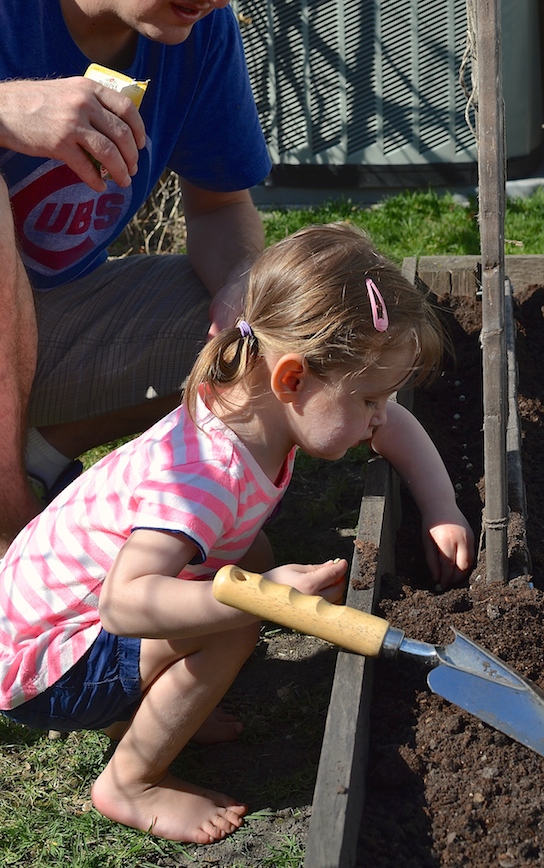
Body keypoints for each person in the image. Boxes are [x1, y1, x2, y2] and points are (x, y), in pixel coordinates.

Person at [0, 222, 475, 845]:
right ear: (293, 380)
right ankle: (130, 780)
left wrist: (442, 506)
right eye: (368, 401)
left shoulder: (251, 405)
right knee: (238, 619)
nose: (380, 416)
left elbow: (393, 427)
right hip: (41, 662)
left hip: (59, 618)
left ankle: (151, 706)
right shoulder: (207, 480)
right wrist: (259, 591)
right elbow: (123, 602)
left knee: (249, 554)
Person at [0, 0, 272, 556]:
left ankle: (37, 455)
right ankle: (12, 528)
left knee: (270, 326)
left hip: (50, 329)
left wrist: (241, 286)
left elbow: (221, 209)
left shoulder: (203, 29)